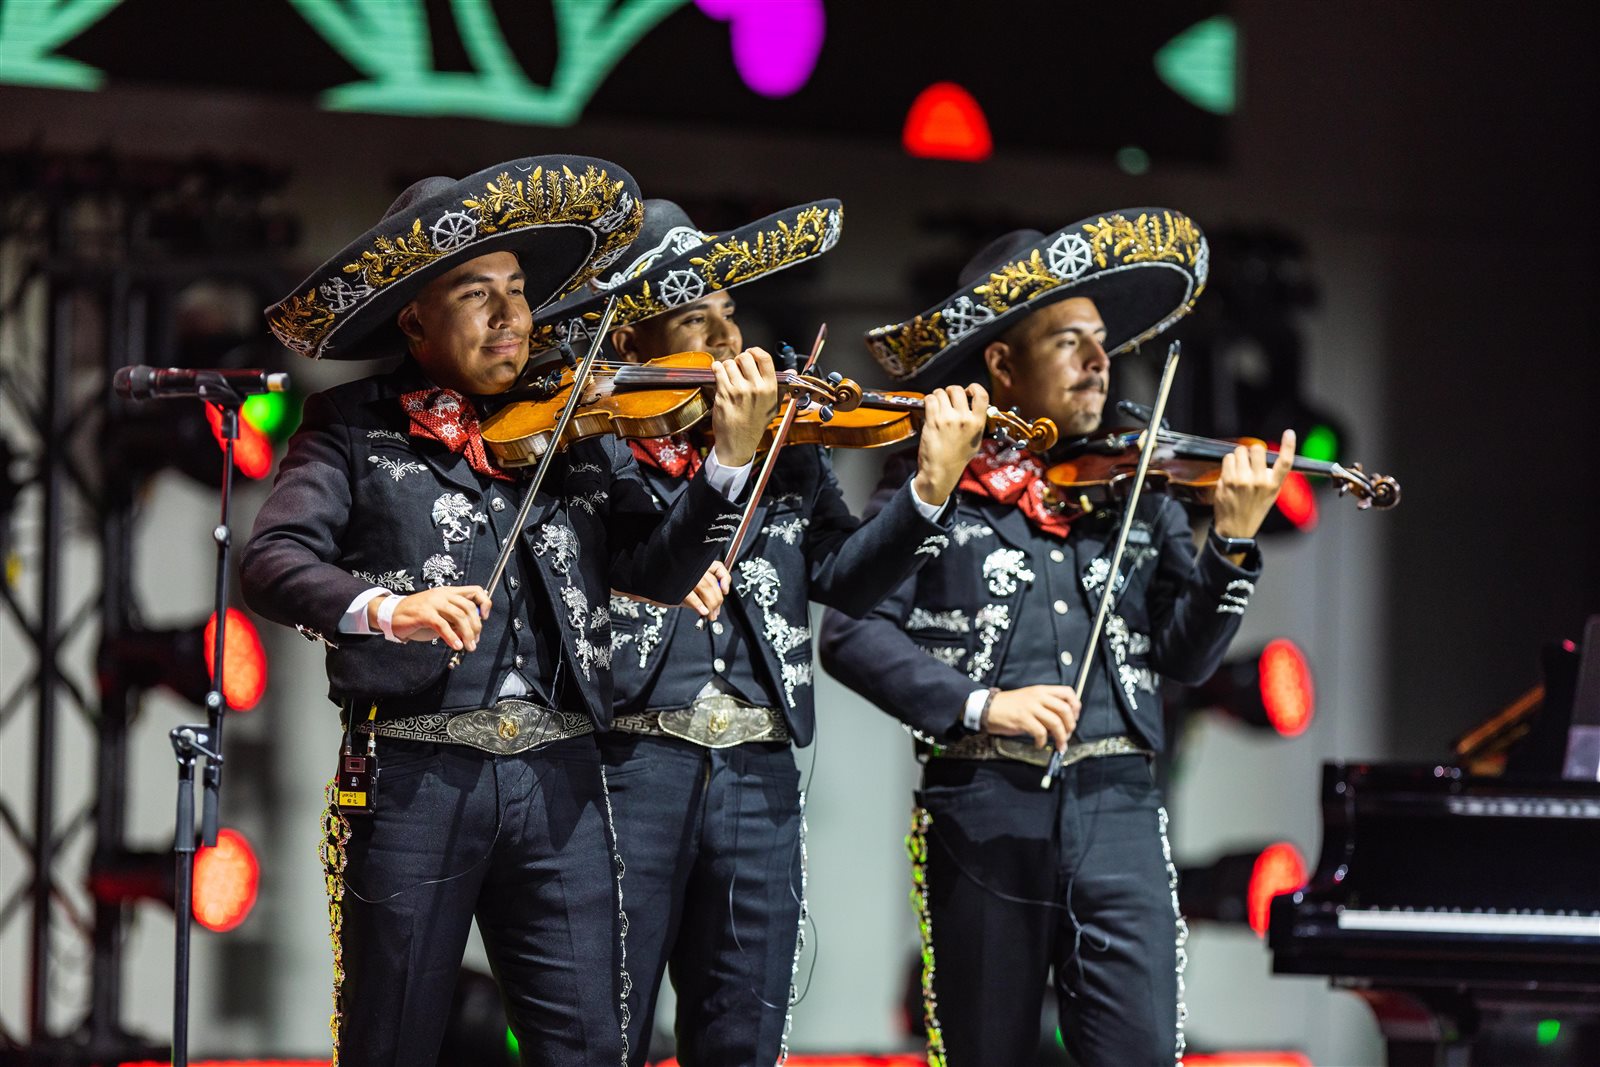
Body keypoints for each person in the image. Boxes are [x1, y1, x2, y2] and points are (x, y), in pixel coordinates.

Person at [241, 156, 780, 1067]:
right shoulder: (352, 424)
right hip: (416, 771)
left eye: (519, 291)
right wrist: (387, 608)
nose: (510, 316)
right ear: (415, 320)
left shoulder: (572, 426)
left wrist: (727, 462)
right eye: (475, 294)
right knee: (392, 1039)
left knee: (592, 1045)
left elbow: (658, 568)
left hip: (564, 774)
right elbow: (271, 561)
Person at [819, 209, 1295, 1067]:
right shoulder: (936, 479)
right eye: (1068, 342)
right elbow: (850, 634)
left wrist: (1229, 546)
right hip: (983, 803)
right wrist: (982, 704)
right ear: (1003, 364)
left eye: (1101, 342)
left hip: (1121, 803)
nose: (1097, 360)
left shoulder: (1137, 481)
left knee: (1142, 1050)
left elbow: (1185, 658)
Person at [534, 197, 989, 1065]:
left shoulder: (788, 439)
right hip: (629, 759)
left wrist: (928, 491)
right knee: (605, 1031)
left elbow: (842, 576)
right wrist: (727, 462)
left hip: (759, 765)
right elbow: (619, 568)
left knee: (745, 1031)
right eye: (694, 322)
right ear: (630, 341)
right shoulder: (591, 438)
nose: (728, 341)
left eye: (729, 315)